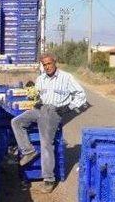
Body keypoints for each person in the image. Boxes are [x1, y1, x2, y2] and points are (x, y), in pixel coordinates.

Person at [11, 53, 87, 193]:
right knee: (16, 121)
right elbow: (38, 96)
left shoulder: (66, 77)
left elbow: (81, 95)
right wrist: (33, 97)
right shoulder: (40, 79)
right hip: (40, 108)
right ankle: (29, 151)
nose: (47, 67)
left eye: (49, 64)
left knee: (45, 142)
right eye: (44, 65)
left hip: (54, 111)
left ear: (55, 62)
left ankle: (49, 179)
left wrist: (67, 108)